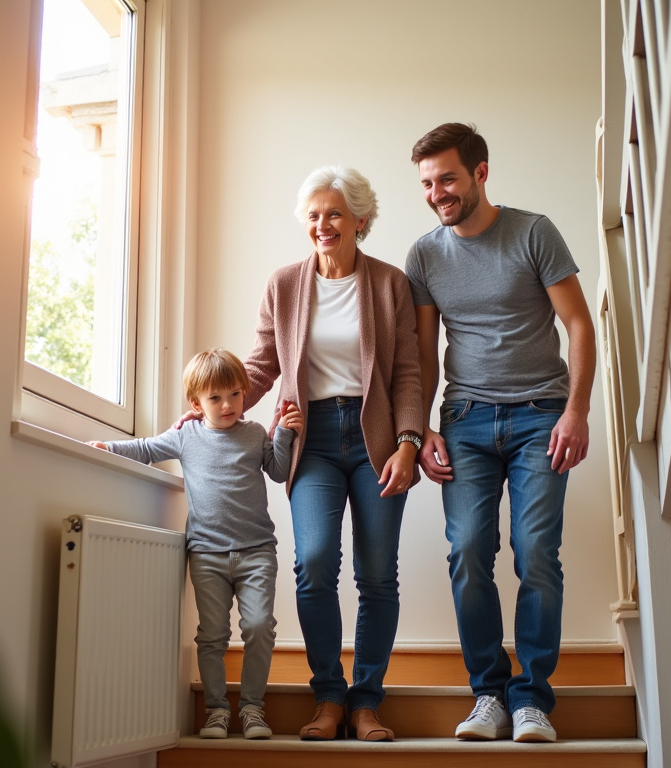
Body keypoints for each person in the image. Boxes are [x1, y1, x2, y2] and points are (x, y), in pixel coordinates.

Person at [405, 123, 596, 743]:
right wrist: (422, 428)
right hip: (465, 420)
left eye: (448, 179)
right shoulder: (425, 255)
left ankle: (532, 699)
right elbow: (424, 353)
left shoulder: (533, 232)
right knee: (467, 551)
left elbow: (579, 324)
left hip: (542, 414)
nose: (437, 193)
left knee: (535, 551)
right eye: (427, 183)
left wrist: (576, 411)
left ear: (480, 173)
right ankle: (488, 694)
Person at [241, 166, 423, 741]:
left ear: (360, 221)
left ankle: (366, 704)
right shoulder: (284, 285)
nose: (323, 225)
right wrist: (209, 402)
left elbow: (408, 373)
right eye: (314, 215)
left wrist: (409, 442)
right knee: (315, 564)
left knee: (377, 575)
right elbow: (262, 365)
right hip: (311, 438)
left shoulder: (390, 284)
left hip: (376, 439)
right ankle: (328, 699)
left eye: (335, 214)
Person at [89, 348, 302, 741]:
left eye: (235, 394)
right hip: (206, 554)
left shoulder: (255, 433)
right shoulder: (186, 435)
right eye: (215, 398)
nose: (228, 405)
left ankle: (252, 709)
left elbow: (276, 471)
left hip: (257, 551)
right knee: (212, 634)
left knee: (259, 626)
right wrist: (109, 448)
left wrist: (284, 433)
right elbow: (147, 449)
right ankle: (217, 711)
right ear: (196, 403)